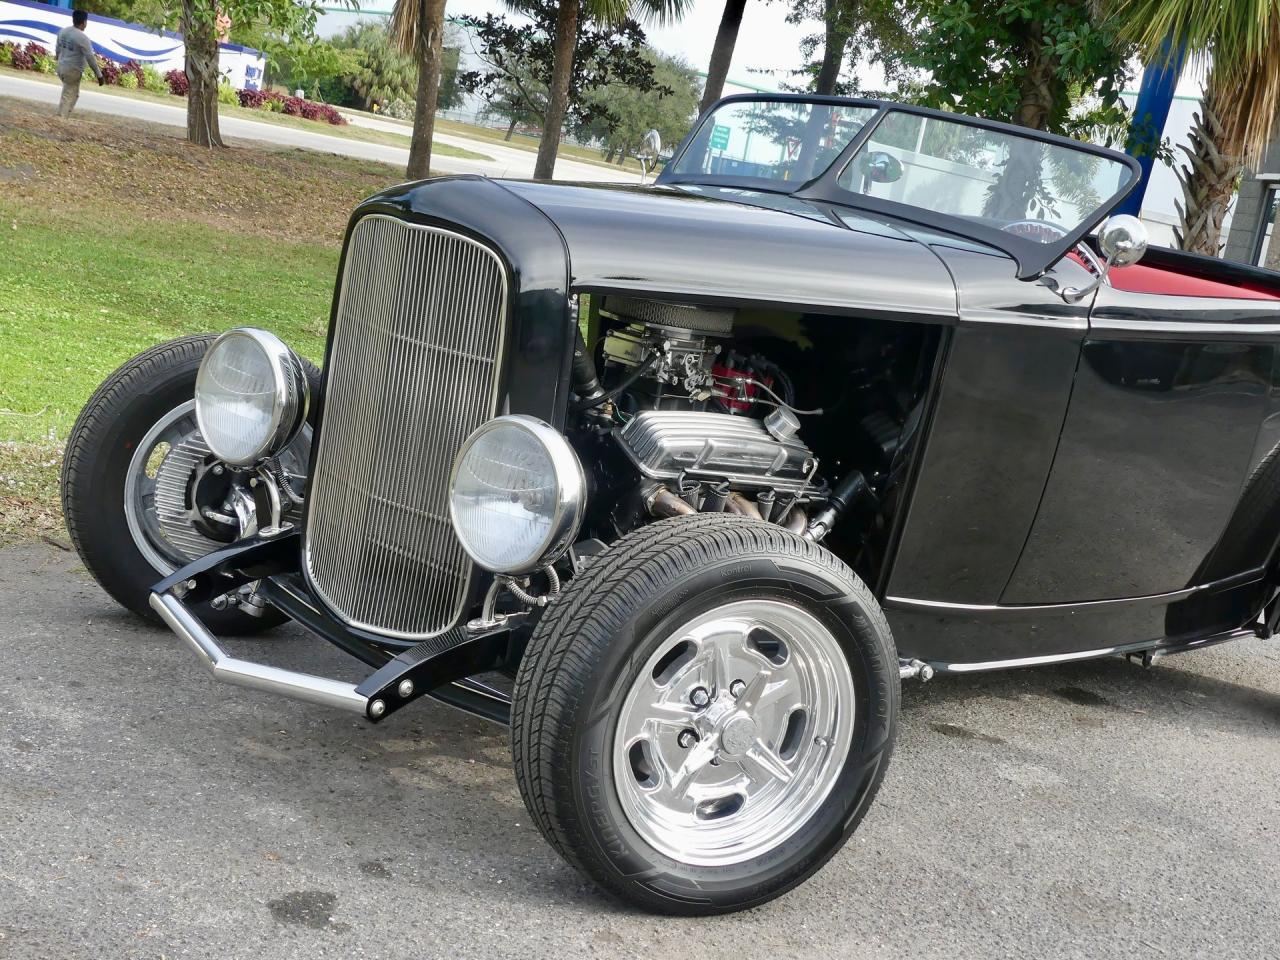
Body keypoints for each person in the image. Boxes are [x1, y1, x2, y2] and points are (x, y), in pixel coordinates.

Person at [55, 10, 104, 118]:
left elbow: (57, 49)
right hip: (73, 70)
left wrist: (58, 59)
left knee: (74, 94)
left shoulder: (63, 32)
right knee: (68, 95)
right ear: (84, 22)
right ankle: (60, 118)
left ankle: (65, 115)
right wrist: (99, 75)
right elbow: (90, 58)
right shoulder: (82, 38)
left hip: (61, 67)